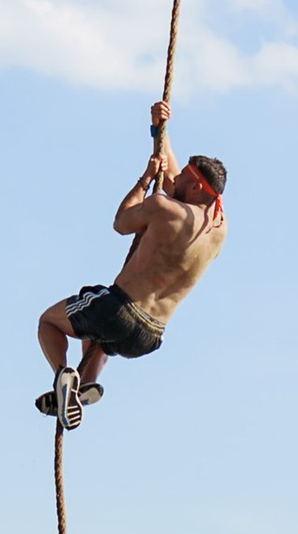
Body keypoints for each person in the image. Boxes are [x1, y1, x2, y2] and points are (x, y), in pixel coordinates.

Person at [35, 102, 225, 429]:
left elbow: (121, 223)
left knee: (49, 323)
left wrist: (144, 179)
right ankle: (85, 382)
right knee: (102, 338)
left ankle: (63, 376)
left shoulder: (164, 208)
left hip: (120, 309)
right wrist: (158, 131)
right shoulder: (218, 228)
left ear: (195, 187)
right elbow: (174, 178)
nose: (175, 176)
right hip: (149, 336)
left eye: (184, 177)